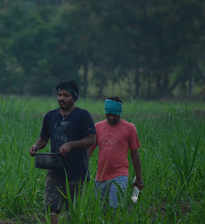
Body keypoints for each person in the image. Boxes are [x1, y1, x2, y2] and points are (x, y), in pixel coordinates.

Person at [29, 80, 96, 224]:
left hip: (77, 171)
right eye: (59, 95)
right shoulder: (51, 116)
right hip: (55, 169)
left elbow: (91, 139)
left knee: (75, 211)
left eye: (66, 95)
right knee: (50, 207)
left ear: (74, 97)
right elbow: (44, 138)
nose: (61, 98)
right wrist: (36, 146)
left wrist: (71, 144)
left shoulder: (83, 115)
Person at [88, 96, 144, 210]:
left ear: (120, 112)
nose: (111, 117)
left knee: (115, 208)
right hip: (101, 176)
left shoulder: (129, 128)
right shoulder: (98, 127)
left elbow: (134, 155)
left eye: (114, 114)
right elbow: (88, 151)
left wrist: (139, 178)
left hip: (120, 174)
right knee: (102, 211)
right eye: (108, 114)